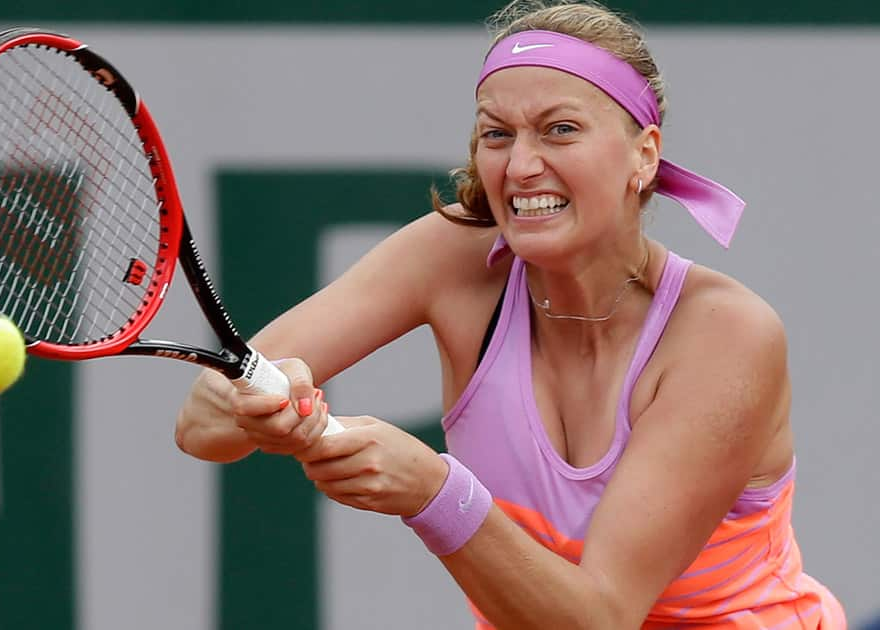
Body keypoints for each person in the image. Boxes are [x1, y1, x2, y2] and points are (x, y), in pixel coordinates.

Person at [175, 1, 846, 627]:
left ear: (644, 155)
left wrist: (433, 492)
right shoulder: (450, 257)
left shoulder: (725, 336)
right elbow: (202, 427)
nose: (522, 165)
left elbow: (601, 616)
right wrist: (260, 402)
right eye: (497, 134)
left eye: (560, 130)